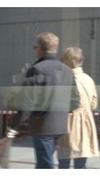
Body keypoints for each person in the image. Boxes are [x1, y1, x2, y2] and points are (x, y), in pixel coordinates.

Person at [8, 32, 80, 169]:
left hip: (42, 126)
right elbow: (75, 101)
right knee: (44, 162)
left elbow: (27, 101)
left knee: (45, 164)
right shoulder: (67, 71)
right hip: (60, 126)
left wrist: (13, 124)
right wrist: (61, 111)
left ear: (40, 49)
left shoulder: (37, 69)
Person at [57, 47, 99, 169]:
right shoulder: (88, 79)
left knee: (64, 160)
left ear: (68, 61)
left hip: (69, 121)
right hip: (86, 122)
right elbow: (94, 104)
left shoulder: (65, 79)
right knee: (81, 161)